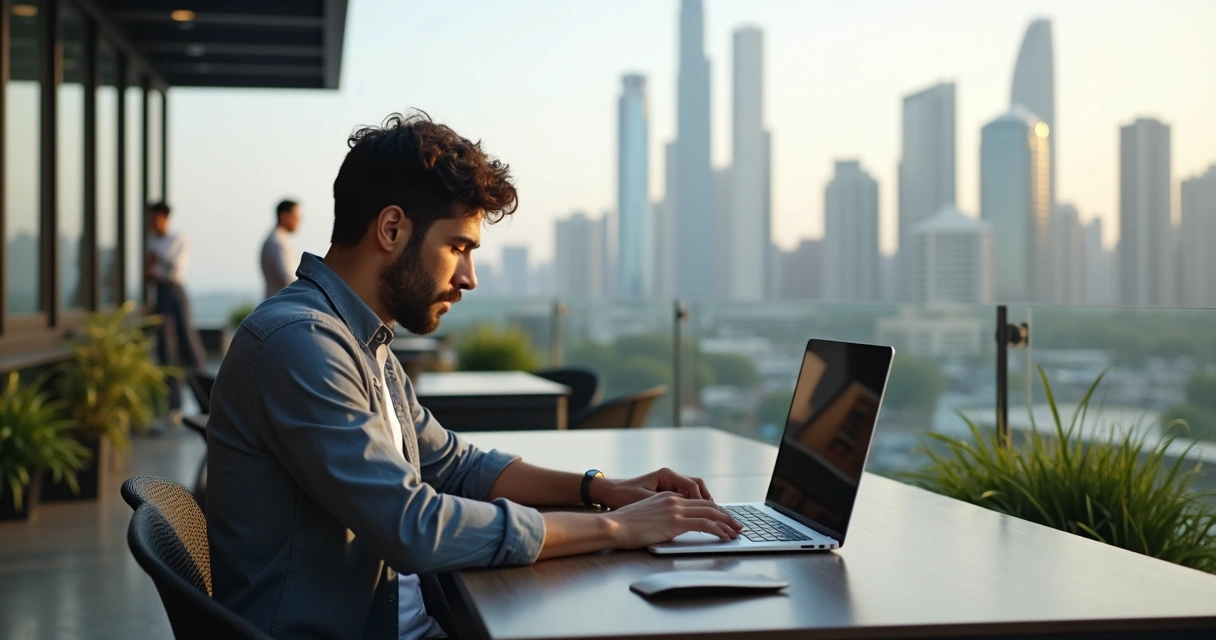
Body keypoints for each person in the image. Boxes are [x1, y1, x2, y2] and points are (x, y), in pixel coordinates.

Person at [205, 111, 742, 640]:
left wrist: (604, 491)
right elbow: (415, 528)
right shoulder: (301, 343)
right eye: (458, 247)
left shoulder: (363, 343)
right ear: (392, 228)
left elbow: (455, 466)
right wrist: (620, 528)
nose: (469, 277)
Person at [144, 201, 205, 424]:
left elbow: (173, 268)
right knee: (165, 350)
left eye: (154, 217)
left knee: (188, 345)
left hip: (175, 293)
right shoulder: (152, 242)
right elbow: (149, 273)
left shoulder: (177, 239)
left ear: (163, 217)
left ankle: (206, 398)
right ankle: (174, 406)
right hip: (160, 294)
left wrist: (155, 261)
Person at [260, 199, 301, 298]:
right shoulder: (277, 242)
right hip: (282, 304)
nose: (299, 221)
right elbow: (288, 277)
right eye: (296, 217)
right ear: (284, 216)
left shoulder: (276, 239)